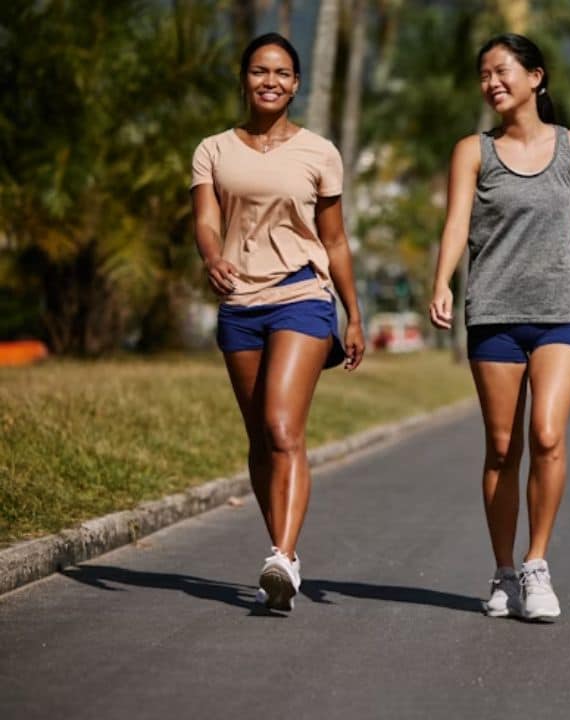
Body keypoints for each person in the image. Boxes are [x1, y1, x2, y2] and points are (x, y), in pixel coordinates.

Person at [428, 34, 570, 623]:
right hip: (494, 312)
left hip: (563, 310)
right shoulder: (472, 152)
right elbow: (456, 224)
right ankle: (503, 570)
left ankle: (536, 565)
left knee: (548, 435)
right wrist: (442, 281)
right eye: (484, 74)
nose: (491, 82)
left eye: (502, 70)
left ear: (537, 77)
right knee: (503, 447)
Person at [191, 33, 365, 612]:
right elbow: (207, 221)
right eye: (260, 71)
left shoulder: (320, 151)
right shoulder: (213, 150)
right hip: (239, 302)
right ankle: (282, 557)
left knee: (283, 426)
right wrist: (213, 258)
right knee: (260, 440)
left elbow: (335, 241)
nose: (271, 81)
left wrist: (353, 313)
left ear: (295, 84)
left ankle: (283, 556)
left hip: (302, 295)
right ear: (244, 78)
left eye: (283, 73)